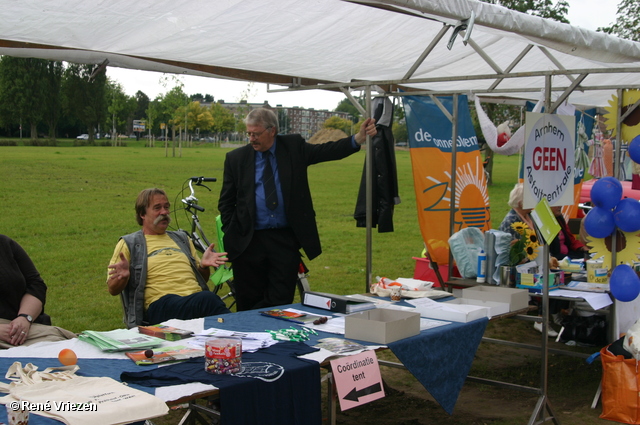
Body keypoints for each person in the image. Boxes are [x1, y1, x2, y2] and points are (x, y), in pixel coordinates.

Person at [218, 107, 377, 311]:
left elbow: (325, 151)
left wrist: (357, 138)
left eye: (256, 134)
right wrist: (233, 231)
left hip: (284, 241)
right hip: (249, 241)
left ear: (272, 130)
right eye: (248, 133)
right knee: (248, 302)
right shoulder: (236, 158)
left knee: (280, 300)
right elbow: (226, 202)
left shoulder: (293, 147)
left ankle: (277, 339)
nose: (251, 139)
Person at [107, 188, 230, 328]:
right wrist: (122, 278)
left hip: (192, 300)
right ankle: (242, 330)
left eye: (166, 207)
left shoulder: (182, 239)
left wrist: (203, 267)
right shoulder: (129, 243)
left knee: (206, 303)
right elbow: (112, 289)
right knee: (208, 300)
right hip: (160, 305)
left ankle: (236, 333)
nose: (164, 212)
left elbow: (203, 279)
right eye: (157, 208)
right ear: (142, 214)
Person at [0, 235, 76, 348]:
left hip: (25, 328)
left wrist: (25, 318)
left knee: (66, 346)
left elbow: (35, 285)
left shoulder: (5, 244)